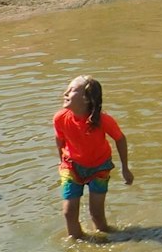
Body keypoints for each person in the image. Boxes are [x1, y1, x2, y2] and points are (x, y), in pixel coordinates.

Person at [55, 75, 133, 239]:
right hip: (71, 166)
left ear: (86, 99)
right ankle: (77, 241)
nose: (66, 93)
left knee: (96, 214)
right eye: (67, 89)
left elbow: (120, 138)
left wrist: (125, 168)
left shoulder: (103, 120)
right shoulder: (60, 118)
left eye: (72, 90)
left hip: (99, 167)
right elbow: (60, 139)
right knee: (69, 212)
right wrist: (61, 161)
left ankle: (106, 241)